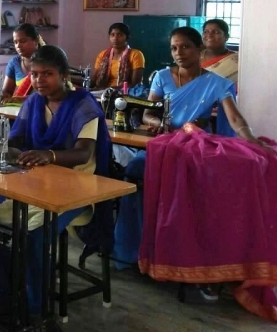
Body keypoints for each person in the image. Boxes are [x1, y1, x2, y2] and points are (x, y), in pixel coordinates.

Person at [113, 27, 265, 274]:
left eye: (185, 47)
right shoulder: (162, 77)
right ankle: (136, 250)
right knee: (135, 170)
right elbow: (148, 112)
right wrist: (158, 123)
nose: (179, 53)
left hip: (192, 147)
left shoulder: (216, 83)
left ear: (199, 50)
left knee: (200, 178)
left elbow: (235, 119)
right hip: (164, 144)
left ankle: (182, 256)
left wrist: (252, 139)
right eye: (174, 48)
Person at [0, 45, 111, 317]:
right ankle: (8, 295)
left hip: (78, 189)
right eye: (35, 74)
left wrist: (48, 155)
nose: (39, 80)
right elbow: (16, 139)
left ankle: (36, 309)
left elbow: (83, 153)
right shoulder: (33, 102)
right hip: (37, 182)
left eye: (47, 74)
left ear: (64, 75)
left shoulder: (84, 104)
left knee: (35, 238)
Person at [91, 23, 145, 89]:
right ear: (109, 37)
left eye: (120, 35)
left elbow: (135, 84)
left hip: (125, 93)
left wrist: (109, 89)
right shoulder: (102, 55)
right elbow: (94, 80)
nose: (115, 38)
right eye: (112, 35)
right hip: (102, 92)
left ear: (127, 37)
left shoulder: (136, 54)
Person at [0, 24, 44, 100]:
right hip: (19, 106)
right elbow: (6, 92)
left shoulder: (47, 62)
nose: (18, 45)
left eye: (23, 41)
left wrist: (21, 99)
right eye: (15, 42)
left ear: (36, 41)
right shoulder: (14, 63)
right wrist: (4, 96)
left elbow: (49, 95)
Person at [201, 19, 238, 83]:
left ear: (226, 36)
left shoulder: (236, 61)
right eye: (206, 32)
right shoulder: (194, 57)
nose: (209, 35)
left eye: (216, 32)